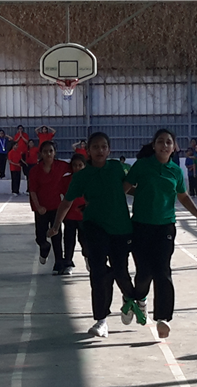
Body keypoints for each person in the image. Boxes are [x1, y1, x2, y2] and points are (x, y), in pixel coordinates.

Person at [47, 133, 138, 338]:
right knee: (97, 272)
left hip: (120, 228)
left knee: (120, 271)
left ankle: (130, 296)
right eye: (95, 147)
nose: (100, 150)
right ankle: (101, 319)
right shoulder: (82, 176)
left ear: (109, 150)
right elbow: (67, 202)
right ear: (88, 151)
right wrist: (56, 225)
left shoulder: (116, 168)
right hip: (94, 227)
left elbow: (130, 187)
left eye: (103, 146)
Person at [123, 129, 197, 339]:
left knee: (162, 272)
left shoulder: (175, 171)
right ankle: (137, 298)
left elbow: (182, 196)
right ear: (154, 145)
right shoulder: (142, 166)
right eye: (160, 141)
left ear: (174, 147)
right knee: (144, 273)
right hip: (141, 226)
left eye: (168, 142)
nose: (164, 145)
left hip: (165, 227)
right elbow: (124, 188)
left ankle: (163, 318)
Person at [29, 141, 70, 273]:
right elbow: (32, 190)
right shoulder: (35, 170)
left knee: (56, 235)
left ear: (54, 152)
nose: (48, 154)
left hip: (56, 207)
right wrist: (38, 206)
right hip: (41, 208)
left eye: (51, 151)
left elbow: (76, 167)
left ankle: (59, 263)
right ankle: (44, 247)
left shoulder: (61, 166)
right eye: (45, 151)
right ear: (41, 153)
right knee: (40, 236)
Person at [60, 153, 88, 275]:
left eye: (80, 165)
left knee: (85, 240)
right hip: (69, 215)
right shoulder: (66, 180)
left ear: (84, 166)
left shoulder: (89, 179)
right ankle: (68, 263)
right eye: (75, 165)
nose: (77, 168)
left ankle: (88, 257)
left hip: (84, 216)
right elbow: (61, 196)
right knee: (69, 240)